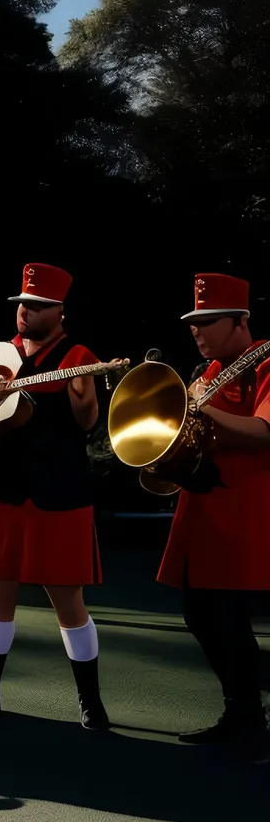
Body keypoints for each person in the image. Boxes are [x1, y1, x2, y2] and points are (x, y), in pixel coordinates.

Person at [0, 263, 111, 729]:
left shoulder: (79, 355)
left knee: (67, 600)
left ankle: (91, 701)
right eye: (22, 305)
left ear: (60, 311)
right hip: (4, 486)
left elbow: (88, 422)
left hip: (59, 489)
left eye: (36, 306)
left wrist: (83, 395)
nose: (25, 313)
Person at [156, 273, 270, 756]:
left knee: (227, 617)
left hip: (246, 508)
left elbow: (265, 432)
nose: (195, 331)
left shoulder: (265, 360)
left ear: (240, 320)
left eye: (206, 321)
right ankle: (243, 710)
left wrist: (196, 409)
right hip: (203, 507)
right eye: (192, 322)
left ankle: (246, 718)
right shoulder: (206, 372)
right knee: (200, 614)